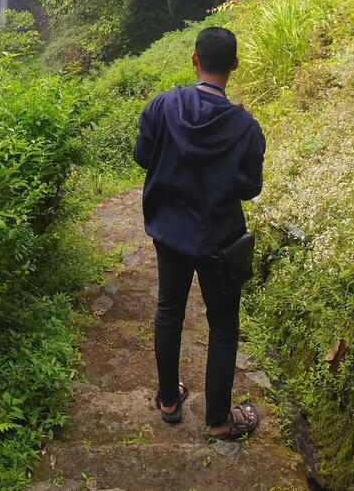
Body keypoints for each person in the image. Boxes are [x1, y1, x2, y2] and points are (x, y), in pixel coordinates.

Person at [133, 26, 265, 440]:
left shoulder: (162, 105)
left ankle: (170, 401)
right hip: (219, 240)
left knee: (168, 310)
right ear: (235, 66)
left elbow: (142, 156)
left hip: (169, 232)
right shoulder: (246, 128)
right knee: (223, 325)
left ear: (194, 59)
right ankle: (219, 420)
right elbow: (250, 188)